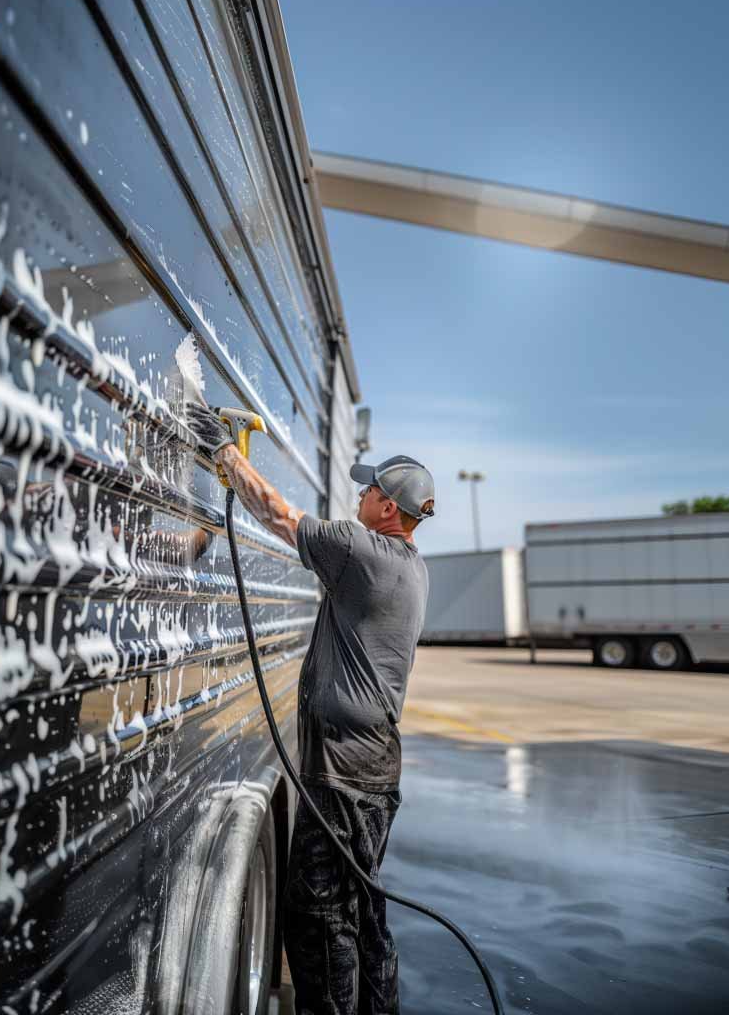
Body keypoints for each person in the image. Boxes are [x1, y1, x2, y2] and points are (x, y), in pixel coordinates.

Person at [186, 402, 433, 1015]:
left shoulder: (362, 552)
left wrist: (223, 454)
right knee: (362, 907)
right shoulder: (410, 569)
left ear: (386, 507)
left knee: (319, 919)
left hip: (344, 771)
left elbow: (279, 515)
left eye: (368, 488)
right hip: (374, 766)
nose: (359, 496)